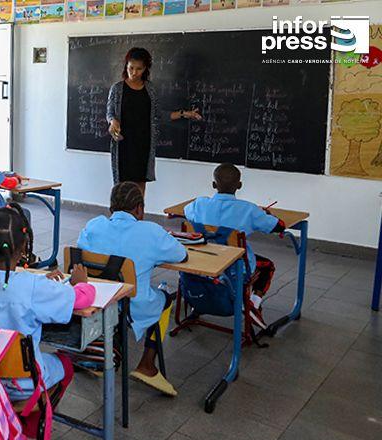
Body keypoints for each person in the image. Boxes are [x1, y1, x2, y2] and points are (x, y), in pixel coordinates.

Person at [0, 203, 94, 400]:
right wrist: (81, 283)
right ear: (23, 246)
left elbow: (3, 281)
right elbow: (80, 300)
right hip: (21, 383)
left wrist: (42, 282)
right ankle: (36, 420)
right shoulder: (33, 287)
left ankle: (11, 418)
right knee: (65, 362)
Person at [77, 182, 187, 396]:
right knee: (165, 299)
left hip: (99, 301)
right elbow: (181, 255)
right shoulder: (150, 231)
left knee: (119, 298)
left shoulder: (93, 226)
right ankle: (147, 363)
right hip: (133, 305)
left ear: (111, 207)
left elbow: (81, 253)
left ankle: (104, 355)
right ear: (139, 208)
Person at [184, 163, 285, 324]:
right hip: (234, 268)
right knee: (267, 266)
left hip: (203, 263)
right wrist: (266, 214)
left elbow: (185, 211)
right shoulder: (249, 210)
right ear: (239, 185)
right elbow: (279, 225)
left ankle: (199, 303)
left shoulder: (198, 204)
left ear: (213, 185)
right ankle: (253, 304)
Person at [105, 48, 203, 197]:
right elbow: (110, 113)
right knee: (121, 187)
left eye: (139, 69)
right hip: (123, 146)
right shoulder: (117, 89)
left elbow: (158, 115)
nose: (134, 72)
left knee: (140, 187)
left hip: (144, 145)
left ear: (145, 69)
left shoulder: (150, 89)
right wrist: (113, 121)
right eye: (131, 67)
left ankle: (139, 216)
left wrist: (184, 113)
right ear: (126, 66)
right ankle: (120, 219)